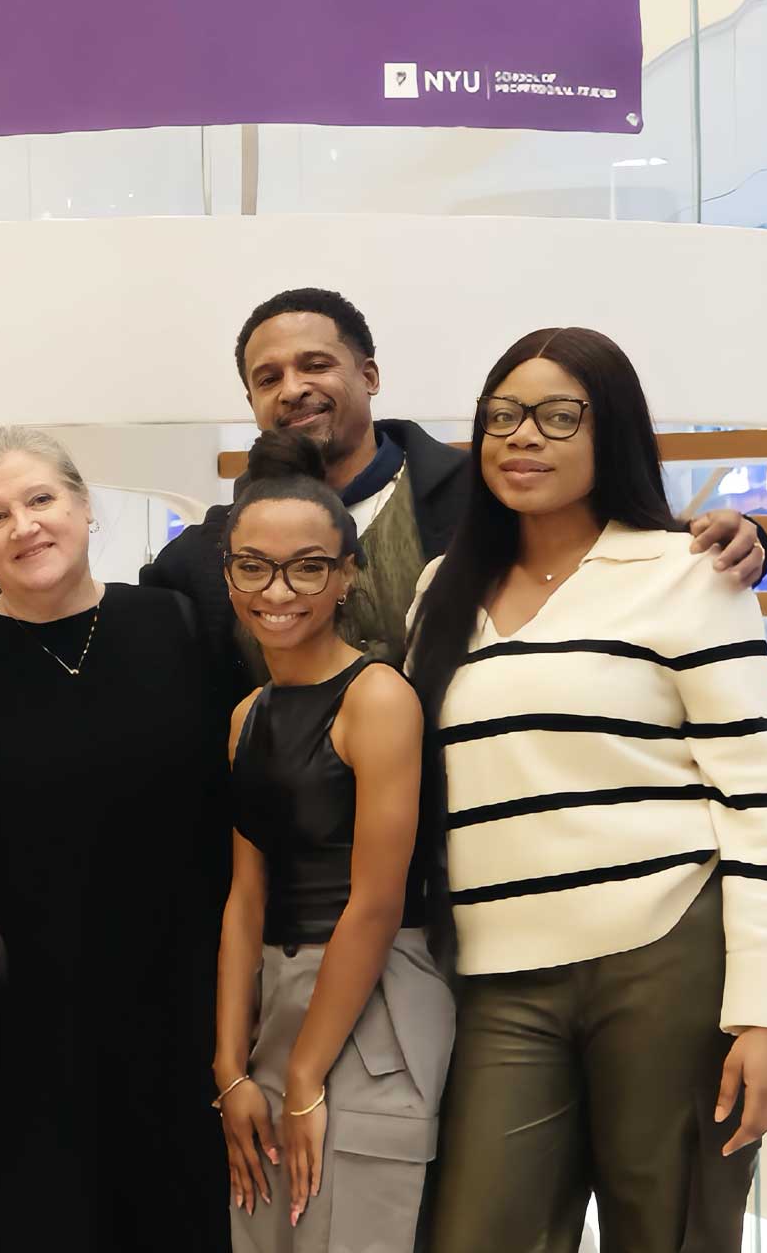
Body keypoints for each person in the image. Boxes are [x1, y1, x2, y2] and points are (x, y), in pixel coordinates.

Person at [405, 328, 767, 1253]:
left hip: (666, 955)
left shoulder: (690, 572)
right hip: (497, 974)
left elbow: (759, 804)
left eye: (559, 416)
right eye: (503, 415)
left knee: (669, 1232)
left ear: (611, 431)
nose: (523, 436)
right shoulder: (439, 591)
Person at [0, 289, 767, 685]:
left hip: (468, 846)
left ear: (369, 375)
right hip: (285, 878)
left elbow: (604, 546)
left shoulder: (480, 497)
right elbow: (102, 619)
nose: (293, 389)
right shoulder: (205, 556)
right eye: (267, 377)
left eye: (316, 364)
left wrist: (739, 537)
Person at [0, 427, 230, 1253]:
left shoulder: (175, 626)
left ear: (84, 506)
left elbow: (221, 821)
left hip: (177, 1008)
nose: (25, 526)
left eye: (41, 499)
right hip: (20, 1027)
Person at [211, 433, 451, 1253]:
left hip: (371, 1001)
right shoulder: (246, 716)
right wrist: (230, 1070)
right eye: (254, 566)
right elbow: (245, 900)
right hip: (276, 1005)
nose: (278, 591)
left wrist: (307, 1074)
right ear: (228, 574)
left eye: (308, 567)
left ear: (347, 575)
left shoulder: (378, 697)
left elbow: (377, 903)